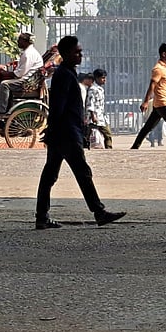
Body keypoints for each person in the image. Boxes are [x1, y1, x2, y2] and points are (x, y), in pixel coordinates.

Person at [34, 35, 125, 230]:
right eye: (76, 52)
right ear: (65, 53)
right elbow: (58, 106)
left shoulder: (67, 73)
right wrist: (53, 129)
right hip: (66, 133)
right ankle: (98, 212)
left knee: (50, 174)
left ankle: (41, 215)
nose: (80, 55)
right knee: (82, 172)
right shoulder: (64, 76)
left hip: (63, 132)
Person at [132, 43, 166, 150]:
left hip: (159, 105)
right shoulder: (158, 69)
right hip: (163, 103)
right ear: (163, 54)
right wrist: (146, 101)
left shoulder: (165, 68)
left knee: (148, 127)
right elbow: (152, 85)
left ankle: (135, 147)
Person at [0, 31, 43, 120]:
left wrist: (5, 73)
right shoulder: (28, 52)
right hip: (26, 79)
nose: (17, 42)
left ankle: (2, 111)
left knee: (4, 84)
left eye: (19, 40)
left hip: (27, 82)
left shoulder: (28, 54)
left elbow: (20, 73)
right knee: (1, 84)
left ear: (25, 41)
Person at [86, 68, 113, 149]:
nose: (104, 80)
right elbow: (90, 102)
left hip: (101, 116)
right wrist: (93, 115)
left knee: (107, 134)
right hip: (94, 116)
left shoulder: (100, 89)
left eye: (105, 78)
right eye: (102, 78)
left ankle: (109, 149)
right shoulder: (93, 89)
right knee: (89, 134)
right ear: (97, 78)